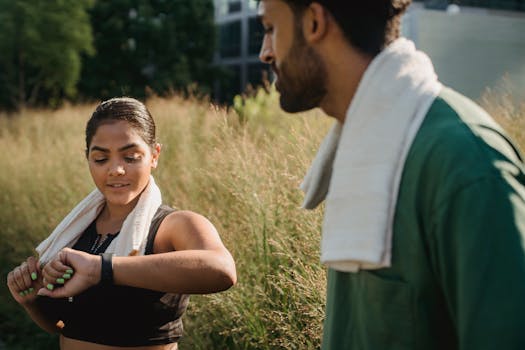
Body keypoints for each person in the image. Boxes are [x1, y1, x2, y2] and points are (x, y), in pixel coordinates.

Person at [257, 1, 525, 349]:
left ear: (313, 22)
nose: (265, 53)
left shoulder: (466, 163)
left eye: (270, 28)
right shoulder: (363, 146)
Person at [6, 97, 237, 349]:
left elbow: (222, 270)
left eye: (130, 157)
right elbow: (65, 325)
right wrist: (32, 302)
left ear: (154, 155)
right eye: (101, 159)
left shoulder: (172, 226)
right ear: (88, 159)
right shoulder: (76, 230)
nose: (115, 169)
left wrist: (100, 269)